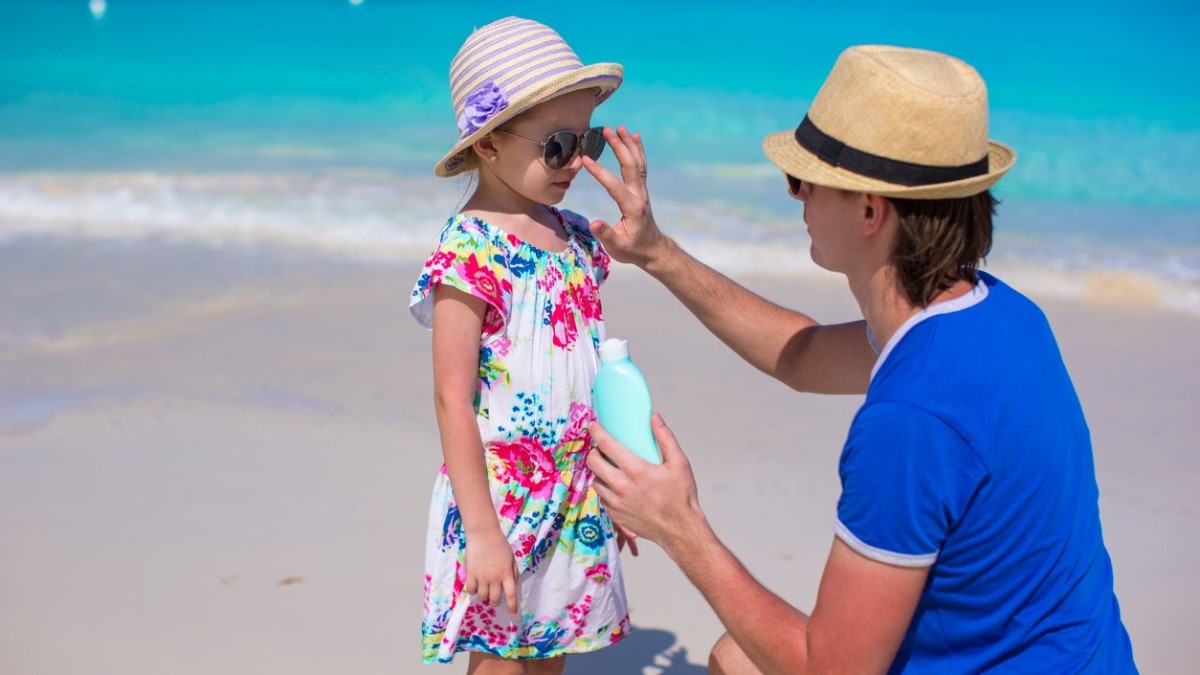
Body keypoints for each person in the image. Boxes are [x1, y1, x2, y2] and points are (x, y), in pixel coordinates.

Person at [579, 45, 1138, 673]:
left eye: (804, 181)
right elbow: (804, 356)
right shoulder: (1003, 317)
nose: (796, 198)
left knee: (736, 660)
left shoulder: (912, 421)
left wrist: (679, 528)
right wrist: (658, 254)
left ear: (870, 210)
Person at [409, 17, 633, 673]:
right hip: (501, 497)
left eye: (587, 140)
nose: (579, 162)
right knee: (503, 655)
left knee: (551, 650)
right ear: (488, 144)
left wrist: (615, 486)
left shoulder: (576, 238)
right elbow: (452, 399)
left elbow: (589, 369)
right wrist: (479, 531)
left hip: (573, 487)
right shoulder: (470, 250)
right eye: (559, 144)